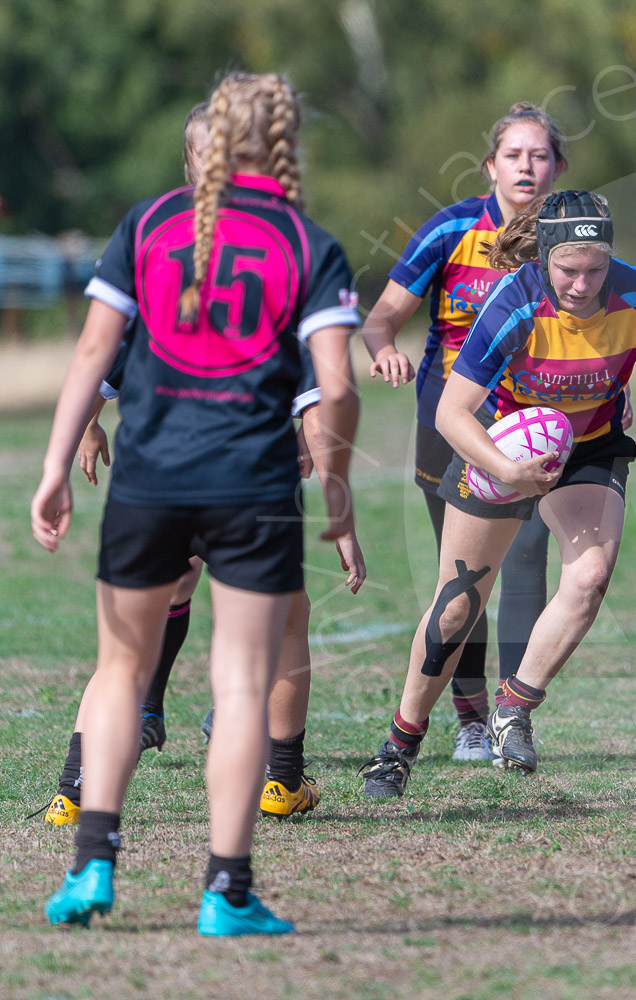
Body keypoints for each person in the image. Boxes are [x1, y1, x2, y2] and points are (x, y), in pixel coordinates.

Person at [29, 72, 361, 934]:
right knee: (240, 683)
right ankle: (226, 892)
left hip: (149, 479)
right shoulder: (309, 243)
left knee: (118, 670)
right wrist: (337, 484)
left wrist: (56, 464)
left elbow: (91, 355)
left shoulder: (144, 224)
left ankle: (93, 869)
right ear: (284, 140)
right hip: (252, 483)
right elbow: (336, 388)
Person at [357, 190, 636, 797]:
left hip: (589, 448)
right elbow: (453, 412)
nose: (583, 285)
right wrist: (507, 470)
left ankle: (512, 708)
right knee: (457, 605)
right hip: (503, 446)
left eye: (595, 270)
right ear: (545, 257)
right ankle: (400, 745)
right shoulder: (514, 303)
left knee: (589, 579)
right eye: (568, 270)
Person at [358, 103, 565, 761]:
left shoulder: (572, 235)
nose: (527, 166)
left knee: (528, 557)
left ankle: (513, 716)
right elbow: (381, 316)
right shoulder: (450, 229)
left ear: (558, 168)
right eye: (514, 155)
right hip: (449, 424)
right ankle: (469, 718)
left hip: (534, 424)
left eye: (539, 156)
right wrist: (382, 345)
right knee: (465, 577)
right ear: (491, 166)